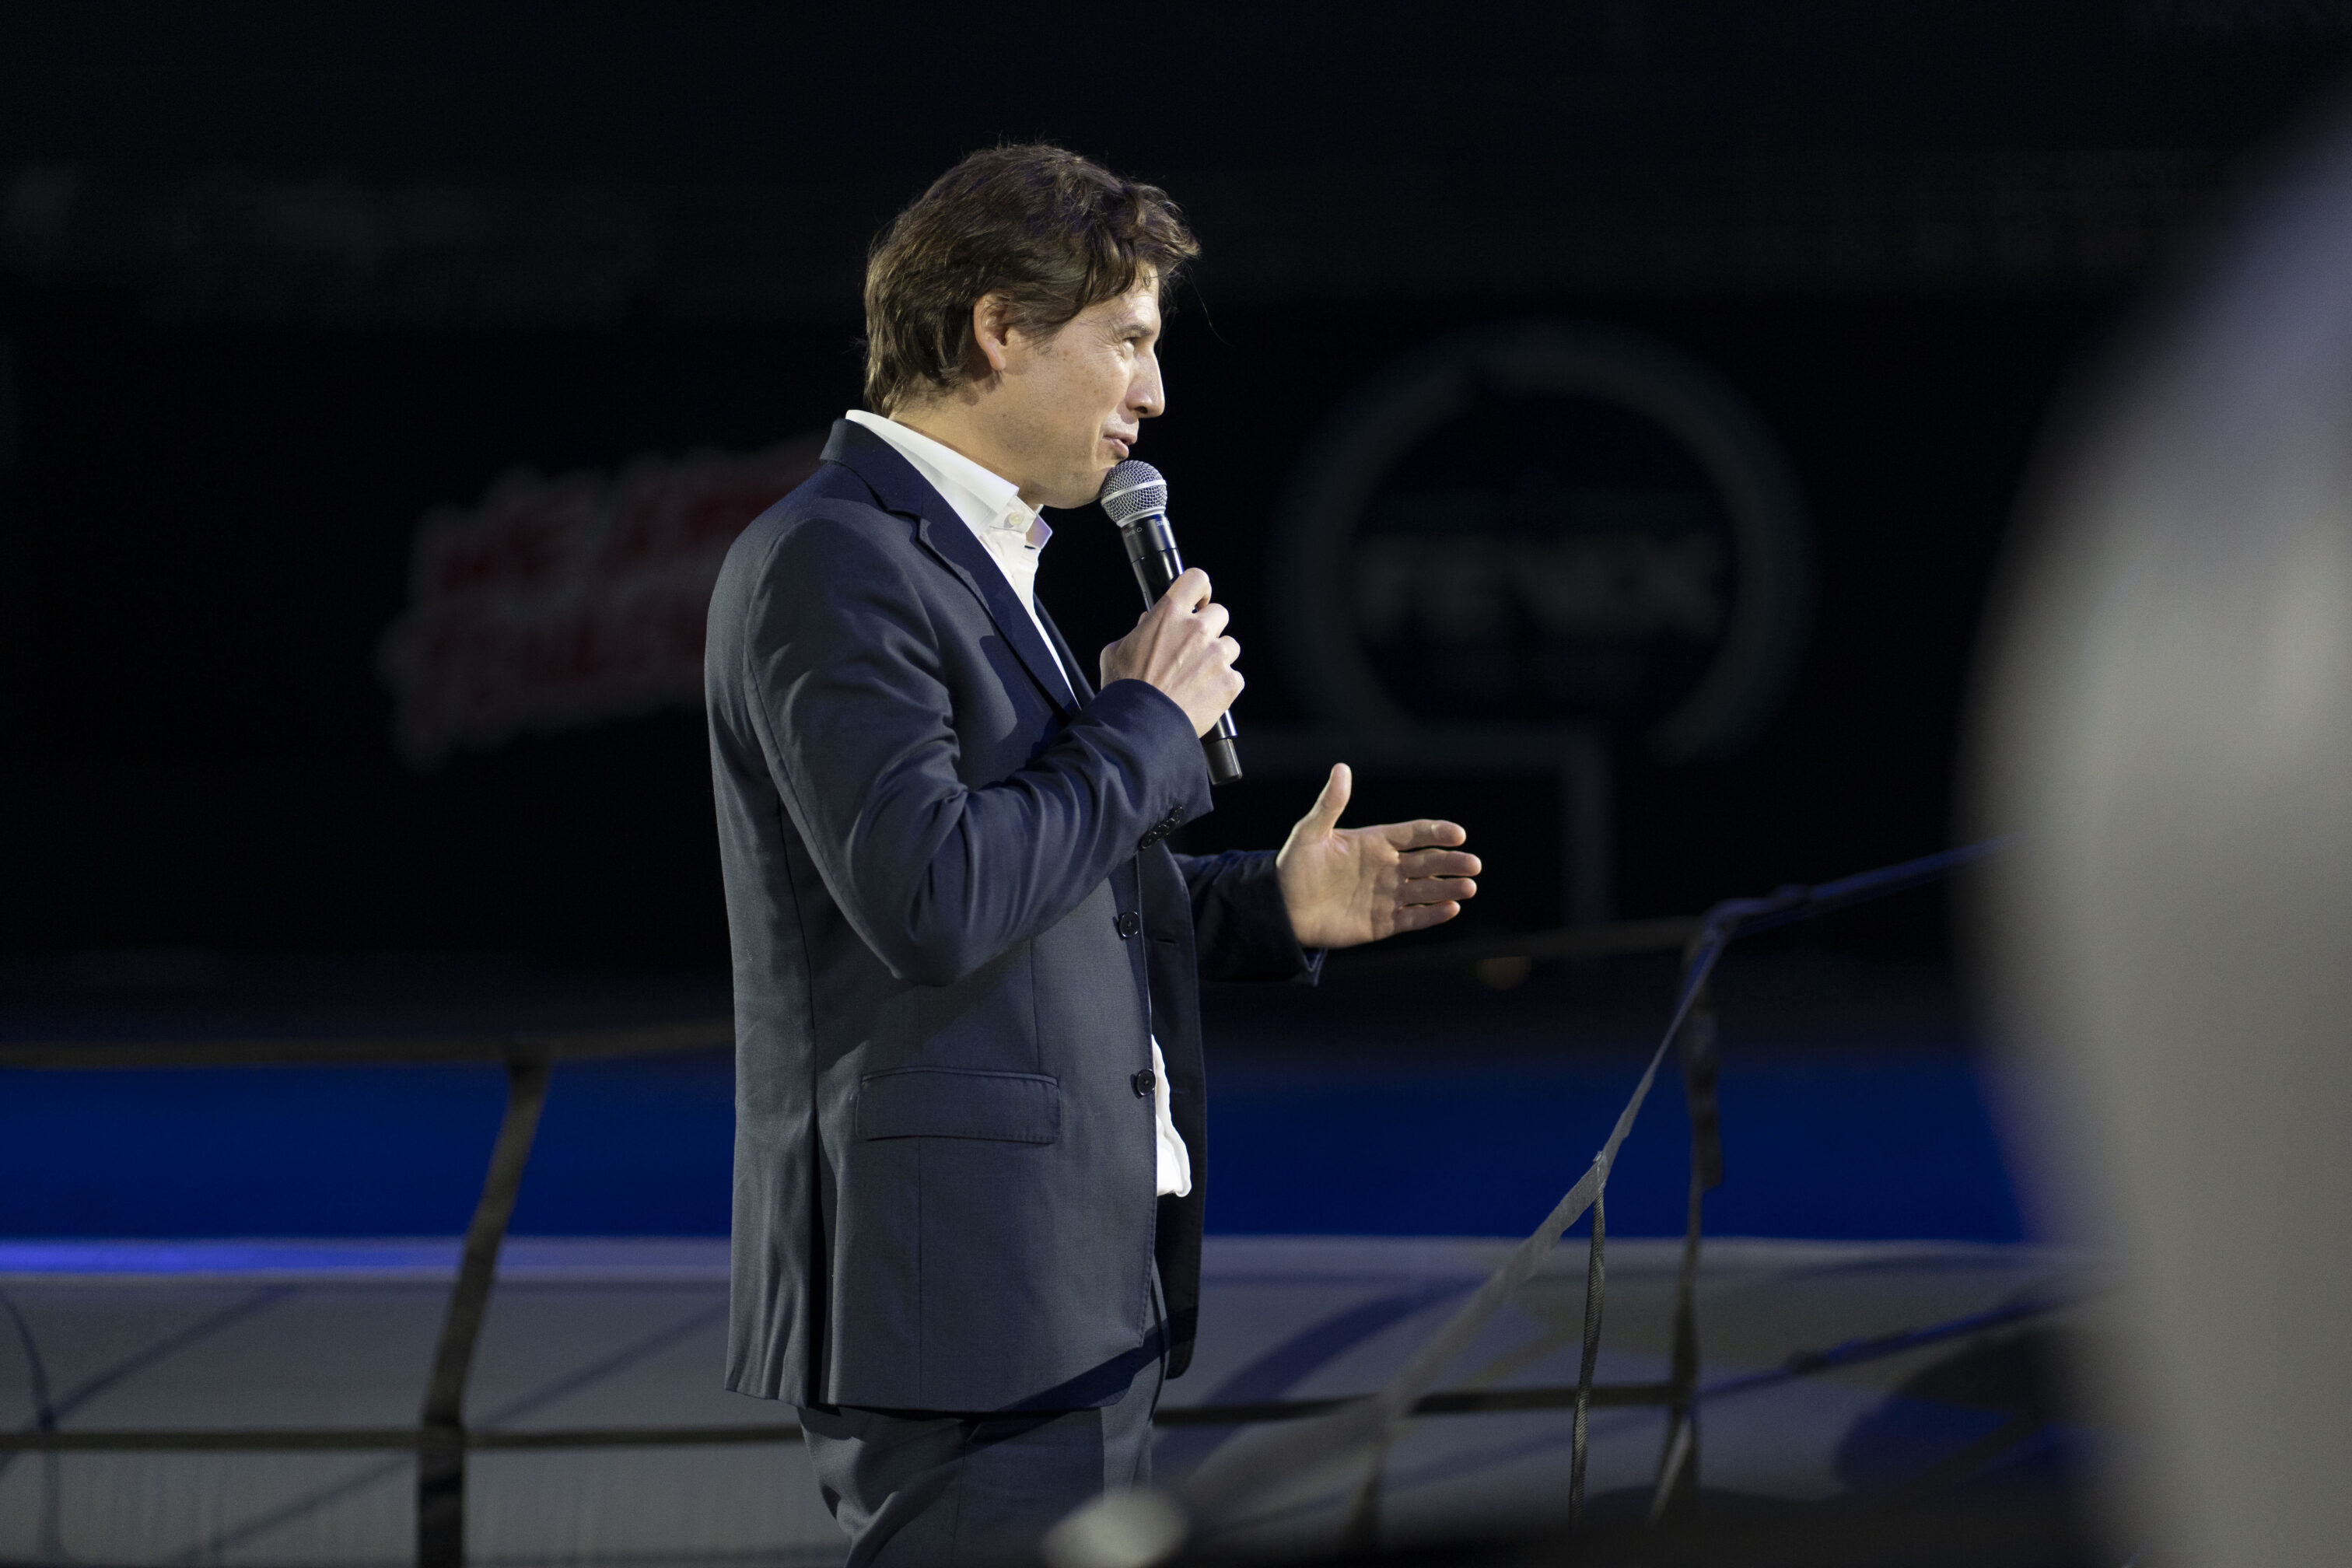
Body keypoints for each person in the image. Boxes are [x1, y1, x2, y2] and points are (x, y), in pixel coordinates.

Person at [703, 144, 1479, 1565]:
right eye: (1126, 340)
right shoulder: (836, 558)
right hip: (966, 1312)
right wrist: (1142, 724)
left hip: (1061, 1294)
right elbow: (931, 895)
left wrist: (1269, 907)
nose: (1154, 392)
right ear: (999, 328)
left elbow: (1047, 894)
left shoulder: (971, 558)